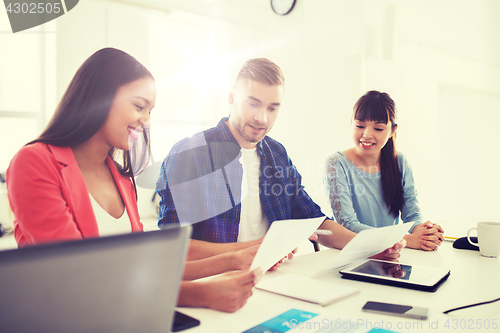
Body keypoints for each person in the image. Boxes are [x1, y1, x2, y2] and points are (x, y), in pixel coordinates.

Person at [6, 47, 259, 313]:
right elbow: (78, 278)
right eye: (139, 106)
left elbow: (146, 269)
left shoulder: (121, 179)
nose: (147, 121)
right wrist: (200, 294)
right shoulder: (34, 163)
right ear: (99, 97)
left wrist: (234, 259)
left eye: (150, 111)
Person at [157, 58, 405, 262]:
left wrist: (371, 248)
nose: (262, 118)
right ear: (232, 95)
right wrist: (255, 250)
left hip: (273, 283)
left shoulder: (277, 155)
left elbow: (315, 222)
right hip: (212, 287)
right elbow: (174, 248)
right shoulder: (189, 155)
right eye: (253, 103)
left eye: (272, 108)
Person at [323, 90, 444, 251]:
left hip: (391, 254)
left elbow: (412, 215)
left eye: (378, 129)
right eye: (360, 126)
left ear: (392, 130)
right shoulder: (336, 164)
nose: (366, 135)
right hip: (350, 253)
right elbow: (348, 225)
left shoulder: (400, 162)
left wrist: (425, 233)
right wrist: (406, 239)